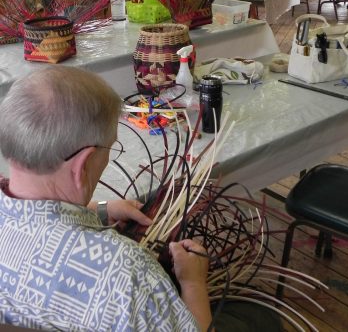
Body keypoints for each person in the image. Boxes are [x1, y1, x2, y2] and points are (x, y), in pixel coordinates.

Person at [0, 66, 212, 331]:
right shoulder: (127, 274)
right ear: (83, 165)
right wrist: (194, 284)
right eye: (109, 147)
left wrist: (100, 209)